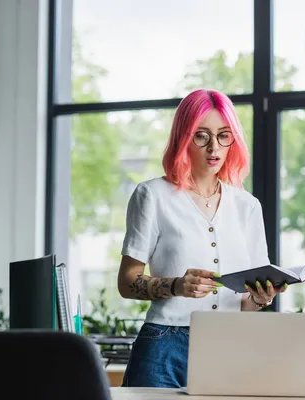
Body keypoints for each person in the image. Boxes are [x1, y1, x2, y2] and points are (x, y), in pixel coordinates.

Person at [117, 88, 287, 388]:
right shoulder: (152, 195)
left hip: (231, 344)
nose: (214, 147)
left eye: (224, 135)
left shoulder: (247, 206)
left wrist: (261, 299)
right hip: (164, 346)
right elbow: (127, 282)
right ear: (184, 138)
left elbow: (247, 300)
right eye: (201, 135)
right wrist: (177, 285)